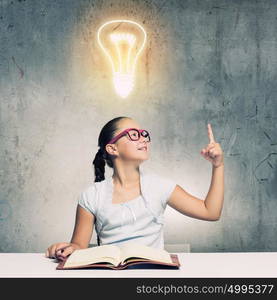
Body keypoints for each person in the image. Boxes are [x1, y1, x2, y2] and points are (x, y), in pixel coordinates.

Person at [45, 116, 224, 261]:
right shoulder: (92, 196)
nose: (143, 138)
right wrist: (65, 249)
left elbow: (211, 212)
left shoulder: (160, 187)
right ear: (112, 148)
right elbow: (79, 247)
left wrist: (218, 166)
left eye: (144, 134)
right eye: (133, 134)